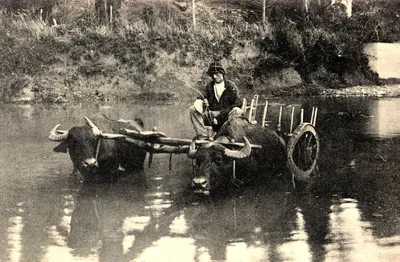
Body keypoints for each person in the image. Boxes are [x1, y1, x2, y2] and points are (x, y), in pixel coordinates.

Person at [189, 61, 243, 140]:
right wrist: (203, 102)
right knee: (192, 109)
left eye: (216, 74)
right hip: (211, 118)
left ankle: (230, 136)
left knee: (237, 111)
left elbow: (238, 103)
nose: (214, 76)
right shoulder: (209, 86)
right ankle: (203, 136)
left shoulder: (231, 86)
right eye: (212, 75)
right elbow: (200, 97)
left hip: (226, 117)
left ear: (222, 73)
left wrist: (220, 112)